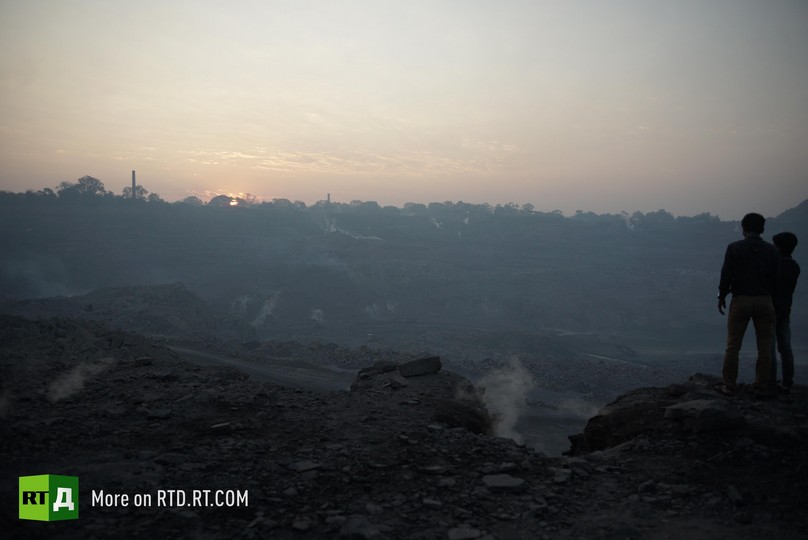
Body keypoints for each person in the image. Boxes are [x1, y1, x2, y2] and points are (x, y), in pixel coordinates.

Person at [717, 212, 780, 396]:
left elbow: (726, 275)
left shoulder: (734, 248)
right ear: (762, 229)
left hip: (741, 300)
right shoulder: (772, 251)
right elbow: (777, 278)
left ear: (743, 228)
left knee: (733, 345)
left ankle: (729, 384)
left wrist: (721, 296)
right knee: (765, 345)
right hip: (765, 300)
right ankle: (761, 385)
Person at [770, 232, 800, 392]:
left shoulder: (775, 266)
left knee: (769, 345)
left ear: (779, 247)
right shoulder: (794, 266)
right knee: (785, 345)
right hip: (785, 309)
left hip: (771, 308)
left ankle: (770, 381)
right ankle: (788, 380)